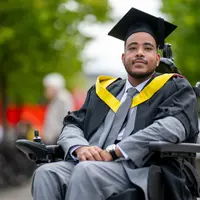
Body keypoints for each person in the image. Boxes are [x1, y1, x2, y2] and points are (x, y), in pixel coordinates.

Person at [32, 8, 199, 200]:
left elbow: (171, 128)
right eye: (132, 48)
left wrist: (116, 151)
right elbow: (72, 125)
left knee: (87, 172)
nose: (139, 53)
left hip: (140, 169)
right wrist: (80, 148)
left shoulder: (174, 87)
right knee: (46, 174)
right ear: (123, 58)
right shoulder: (103, 90)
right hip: (91, 165)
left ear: (157, 58)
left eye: (147, 48)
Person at [42, 73, 74, 144]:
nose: (45, 91)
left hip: (57, 139)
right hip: (55, 139)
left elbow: (64, 120)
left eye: (47, 88)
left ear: (53, 87)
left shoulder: (62, 99)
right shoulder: (56, 99)